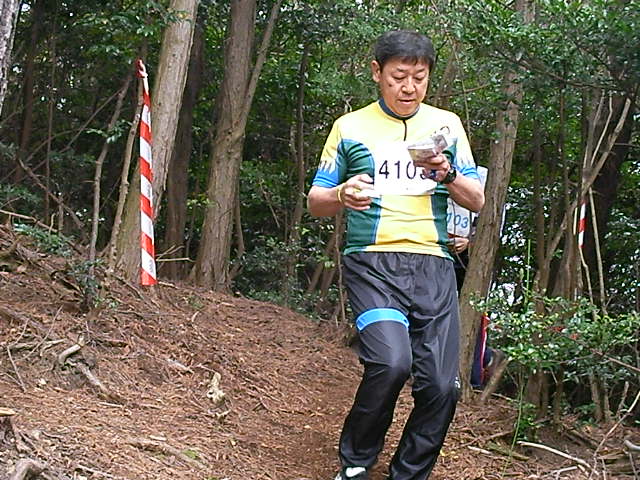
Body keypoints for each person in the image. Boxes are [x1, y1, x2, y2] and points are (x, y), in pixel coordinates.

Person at [307, 30, 485, 480]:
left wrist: (446, 173)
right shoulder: (350, 127)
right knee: (391, 364)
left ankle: (408, 473)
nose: (409, 88)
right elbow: (316, 201)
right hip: (373, 263)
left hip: (434, 264)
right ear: (377, 73)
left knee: (443, 386)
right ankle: (356, 462)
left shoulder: (448, 125)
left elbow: (477, 199)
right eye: (398, 77)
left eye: (419, 78)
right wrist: (343, 194)